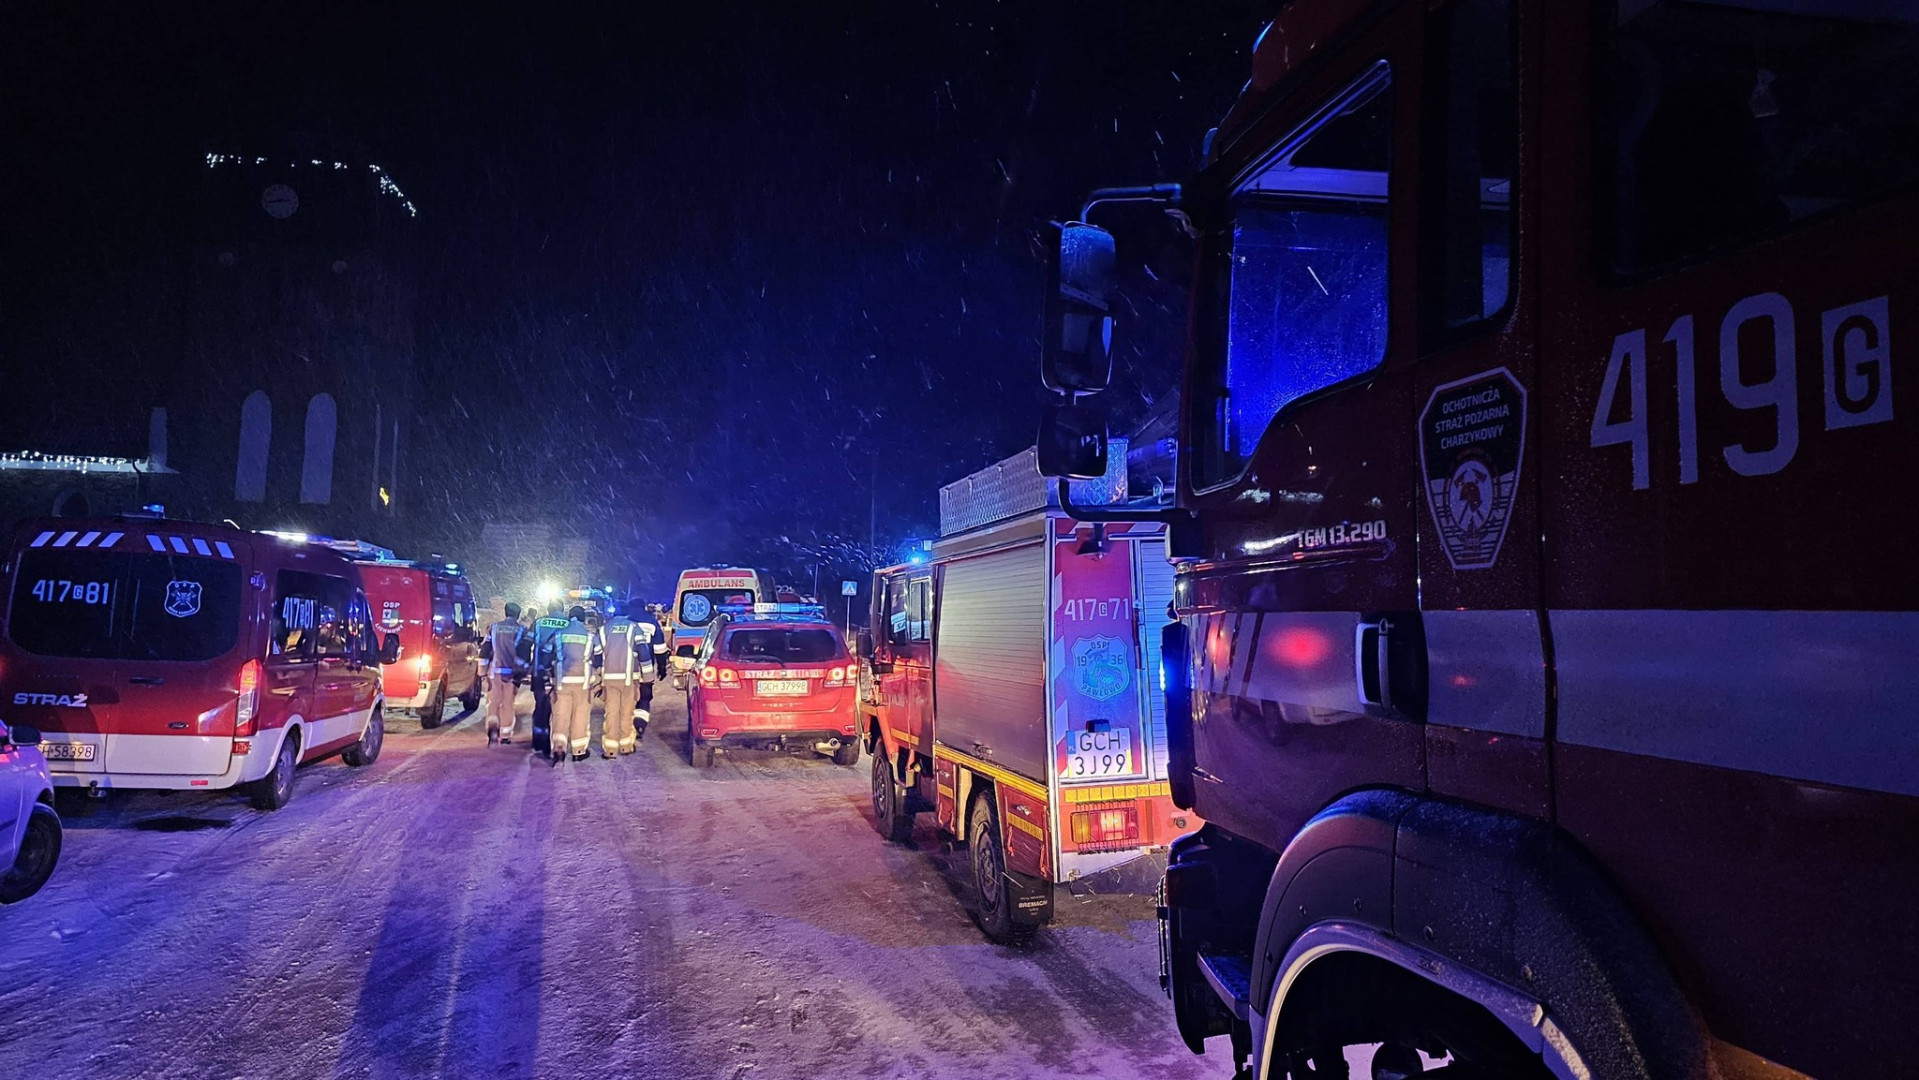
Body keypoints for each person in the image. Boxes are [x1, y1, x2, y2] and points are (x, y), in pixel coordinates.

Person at [597, 612, 659, 756]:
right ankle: (625, 746)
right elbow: (643, 652)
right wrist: (648, 676)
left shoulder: (604, 628)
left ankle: (610, 750)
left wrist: (599, 673)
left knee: (611, 712)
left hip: (609, 678)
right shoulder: (633, 627)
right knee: (626, 712)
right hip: (629, 679)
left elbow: (596, 652)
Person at [548, 605, 597, 763]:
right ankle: (578, 751)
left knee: (560, 716)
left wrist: (549, 675)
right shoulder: (589, 635)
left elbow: (547, 654)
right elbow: (598, 657)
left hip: (562, 681)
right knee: (580, 716)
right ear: (583, 618)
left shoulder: (559, 633)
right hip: (583, 683)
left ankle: (559, 749)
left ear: (569, 617)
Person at [479, 601, 528, 745]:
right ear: (518, 615)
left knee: (493, 703)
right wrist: (523, 672)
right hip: (512, 674)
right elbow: (523, 654)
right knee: (507, 704)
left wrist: (482, 673)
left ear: (505, 613)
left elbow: (485, 651)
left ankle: (492, 731)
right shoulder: (521, 630)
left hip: (495, 672)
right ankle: (506, 735)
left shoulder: (493, 628)